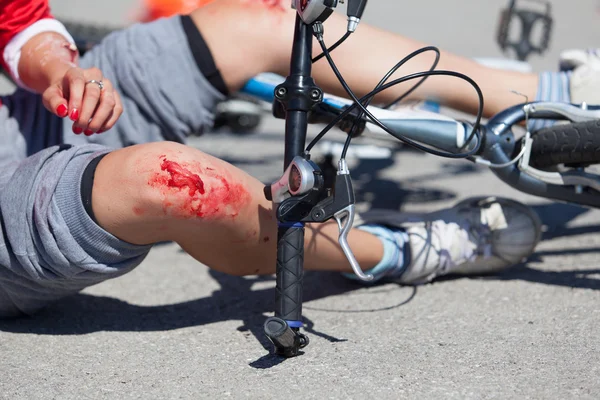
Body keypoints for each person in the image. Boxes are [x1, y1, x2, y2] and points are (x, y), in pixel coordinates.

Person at [3, 0, 580, 318]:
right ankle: (396, 251)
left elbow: (19, 24)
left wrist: (59, 68)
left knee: (260, 22)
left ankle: (548, 94)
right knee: (177, 182)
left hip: (24, 116)